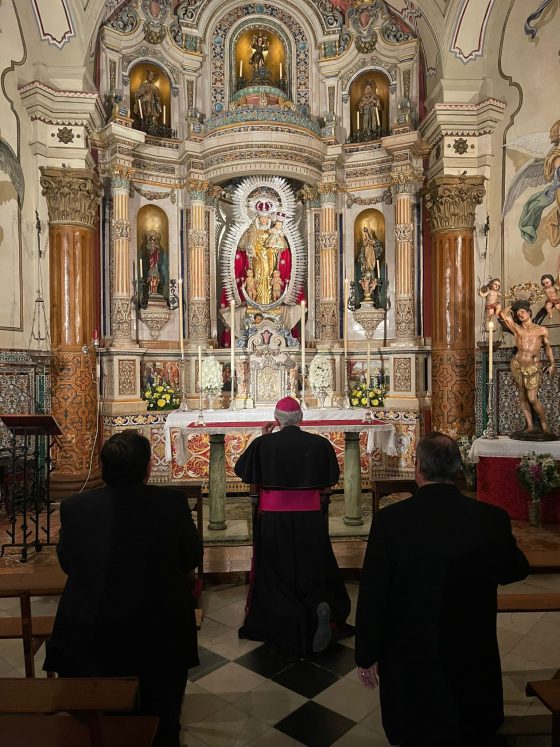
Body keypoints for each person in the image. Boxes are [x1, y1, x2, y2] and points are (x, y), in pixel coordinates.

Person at [356, 432, 529, 747]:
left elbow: (373, 592)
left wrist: (366, 655)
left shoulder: (391, 521)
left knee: (415, 728)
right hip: (470, 646)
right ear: (457, 468)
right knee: (470, 728)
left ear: (418, 467)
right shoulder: (490, 518)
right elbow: (515, 570)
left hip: (409, 653)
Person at [44, 430, 202, 747]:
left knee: (98, 718)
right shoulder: (171, 503)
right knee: (161, 709)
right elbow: (192, 557)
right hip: (160, 628)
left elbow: (69, 563)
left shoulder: (75, 507)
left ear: (103, 467)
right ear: (147, 468)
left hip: (92, 629)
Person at [235, 397, 352, 659]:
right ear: (301, 419)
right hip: (310, 518)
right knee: (312, 568)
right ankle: (319, 604)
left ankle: (286, 617)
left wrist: (263, 438)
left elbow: (243, 471)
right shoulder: (319, 444)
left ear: (277, 420)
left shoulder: (263, 443)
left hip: (275, 519)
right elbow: (331, 478)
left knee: (277, 572)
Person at [498, 299, 556, 434]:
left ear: (529, 313)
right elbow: (502, 314)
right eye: (518, 313)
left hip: (533, 366)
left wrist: (552, 363)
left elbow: (547, 347)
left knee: (532, 398)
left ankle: (544, 424)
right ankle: (530, 426)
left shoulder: (541, 330)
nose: (520, 314)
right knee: (522, 397)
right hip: (517, 364)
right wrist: (515, 304)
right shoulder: (516, 329)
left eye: (523, 311)